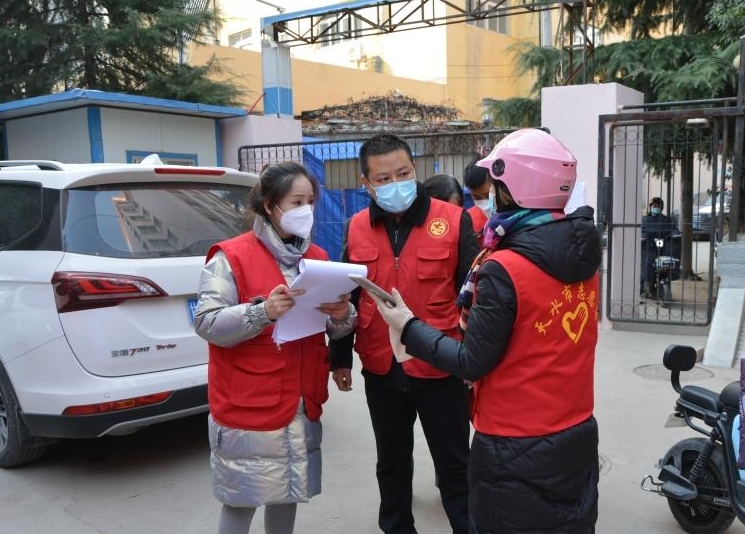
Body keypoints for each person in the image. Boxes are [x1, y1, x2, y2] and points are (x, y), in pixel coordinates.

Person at [364, 128, 602, 534]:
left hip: (514, 438)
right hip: (576, 426)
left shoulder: (505, 267)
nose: (490, 194)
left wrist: (409, 328)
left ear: (513, 188)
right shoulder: (583, 257)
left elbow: (472, 361)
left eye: (495, 185)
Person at [194, 161, 357, 534]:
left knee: (287, 492)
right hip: (250, 400)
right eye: (296, 202)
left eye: (310, 201)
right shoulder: (231, 257)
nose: (306, 210)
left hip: (301, 398)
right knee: (241, 499)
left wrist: (342, 314)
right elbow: (207, 323)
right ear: (270, 205)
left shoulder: (318, 258)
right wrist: (262, 312)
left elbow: (337, 327)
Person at [329, 134, 479, 534]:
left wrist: (472, 362)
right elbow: (347, 296)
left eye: (403, 173)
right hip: (381, 367)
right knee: (392, 464)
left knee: (455, 467)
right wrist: (340, 358)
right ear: (366, 183)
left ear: (415, 170)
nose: (395, 183)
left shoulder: (454, 220)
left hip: (440, 365)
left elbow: (472, 298)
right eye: (383, 179)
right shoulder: (357, 227)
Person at [640, 196, 678, 299]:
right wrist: (642, 236)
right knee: (647, 265)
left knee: (668, 265)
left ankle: (665, 287)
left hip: (664, 247)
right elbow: (640, 231)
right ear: (650, 207)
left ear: (661, 207)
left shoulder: (667, 220)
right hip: (649, 247)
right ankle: (644, 288)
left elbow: (673, 229)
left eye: (658, 206)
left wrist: (675, 233)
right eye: (654, 206)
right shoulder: (644, 220)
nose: (656, 208)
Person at [463, 160, 493, 245]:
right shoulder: (468, 219)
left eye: (488, 195)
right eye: (477, 197)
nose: (484, 201)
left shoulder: (516, 217)